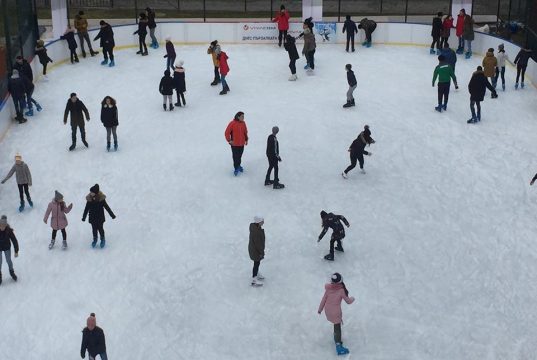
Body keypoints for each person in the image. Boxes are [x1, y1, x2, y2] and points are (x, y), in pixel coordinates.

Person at [317, 273, 355, 355]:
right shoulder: (341, 290)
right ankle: (339, 347)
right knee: (337, 327)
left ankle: (336, 338)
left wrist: (320, 309)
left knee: (335, 324)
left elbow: (323, 300)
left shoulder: (328, 289)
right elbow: (348, 301)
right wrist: (352, 298)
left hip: (328, 311)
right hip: (336, 312)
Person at [82, 184, 116, 249]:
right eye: (90, 192)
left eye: (92, 192)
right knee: (94, 229)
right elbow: (86, 209)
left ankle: (102, 239)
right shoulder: (89, 200)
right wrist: (84, 217)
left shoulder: (101, 199)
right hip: (92, 217)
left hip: (100, 217)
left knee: (100, 229)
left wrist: (112, 215)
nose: (90, 193)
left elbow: (107, 207)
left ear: (96, 192)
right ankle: (95, 239)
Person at [224, 111, 248, 176]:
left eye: (243, 116)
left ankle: (238, 165)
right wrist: (229, 140)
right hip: (234, 144)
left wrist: (246, 139)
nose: (243, 118)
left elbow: (245, 132)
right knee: (235, 156)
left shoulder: (243, 123)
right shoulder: (232, 123)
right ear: (238, 117)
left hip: (241, 144)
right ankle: (236, 168)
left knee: (239, 156)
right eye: (242, 116)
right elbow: (226, 132)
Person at [0, 215, 19, 285]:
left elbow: (14, 240)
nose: (2, 227)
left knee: (8, 260)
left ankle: (12, 272)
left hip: (7, 247)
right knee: (0, 262)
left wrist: (16, 251)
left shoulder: (8, 231)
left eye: (3, 226)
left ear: (5, 225)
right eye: (1, 226)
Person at [248, 216, 265, 287]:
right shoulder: (256, 232)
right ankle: (254, 280)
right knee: (256, 263)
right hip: (256, 251)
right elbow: (258, 244)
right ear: (258, 222)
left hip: (253, 249)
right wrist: (261, 252)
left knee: (257, 263)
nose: (263, 222)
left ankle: (256, 273)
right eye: (262, 221)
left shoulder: (255, 227)